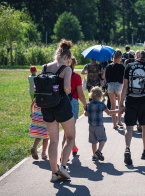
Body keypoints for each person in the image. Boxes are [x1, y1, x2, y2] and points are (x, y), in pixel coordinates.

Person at [40, 39, 75, 182]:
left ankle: (54, 173)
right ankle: (63, 166)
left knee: (53, 140)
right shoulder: (66, 69)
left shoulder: (44, 67)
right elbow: (67, 88)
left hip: (46, 105)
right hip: (61, 104)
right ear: (66, 57)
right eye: (69, 60)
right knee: (70, 137)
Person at [119, 50, 145, 164]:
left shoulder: (128, 66)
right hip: (144, 100)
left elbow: (125, 86)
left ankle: (127, 149)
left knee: (129, 127)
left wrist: (121, 102)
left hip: (131, 100)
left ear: (137, 56)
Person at [84, 87, 123, 161]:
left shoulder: (88, 104)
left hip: (91, 126)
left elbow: (85, 114)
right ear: (100, 95)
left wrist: (84, 110)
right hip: (99, 125)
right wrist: (118, 111)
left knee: (93, 141)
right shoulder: (101, 104)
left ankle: (94, 155)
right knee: (103, 139)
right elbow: (109, 112)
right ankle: (99, 150)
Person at [61, 56, 87, 158]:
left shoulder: (62, 76)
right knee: (68, 132)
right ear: (75, 64)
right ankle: (63, 155)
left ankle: (74, 147)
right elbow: (80, 94)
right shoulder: (76, 77)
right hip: (73, 103)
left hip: (62, 103)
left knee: (69, 130)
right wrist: (85, 105)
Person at [105, 49, 125, 129]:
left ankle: (114, 124)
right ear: (119, 58)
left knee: (113, 106)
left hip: (110, 85)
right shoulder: (121, 67)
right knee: (120, 104)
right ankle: (119, 121)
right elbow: (124, 77)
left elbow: (106, 77)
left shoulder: (108, 66)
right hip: (119, 85)